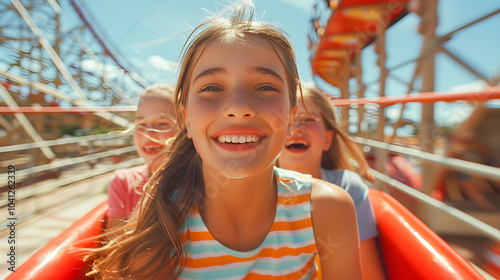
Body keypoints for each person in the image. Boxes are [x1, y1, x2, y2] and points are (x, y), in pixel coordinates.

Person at [86, 2, 363, 279]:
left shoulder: (327, 208)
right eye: (212, 88)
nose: (239, 107)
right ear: (187, 120)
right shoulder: (161, 220)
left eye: (266, 87)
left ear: (291, 117)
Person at [279, 86, 386, 280]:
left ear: (327, 139)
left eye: (308, 119)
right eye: (286, 120)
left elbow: (371, 275)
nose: (296, 127)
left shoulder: (346, 188)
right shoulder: (253, 190)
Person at [105, 83, 178, 230]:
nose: (148, 133)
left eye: (163, 124)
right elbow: (115, 245)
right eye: (141, 124)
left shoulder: (201, 182)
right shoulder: (123, 183)